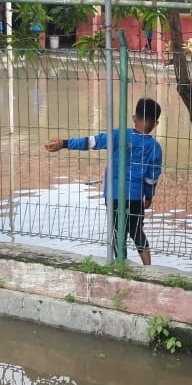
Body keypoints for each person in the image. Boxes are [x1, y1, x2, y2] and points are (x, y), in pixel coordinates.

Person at [45, 98, 163, 265]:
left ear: (134, 118)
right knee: (137, 232)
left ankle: (121, 265)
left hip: (113, 195)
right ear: (156, 123)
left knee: (117, 232)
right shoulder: (155, 147)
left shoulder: (119, 135)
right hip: (136, 196)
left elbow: (92, 142)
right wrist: (149, 196)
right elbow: (152, 177)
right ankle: (149, 268)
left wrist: (64, 143)